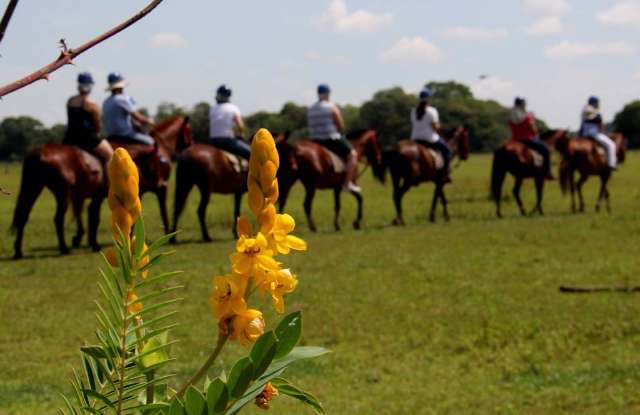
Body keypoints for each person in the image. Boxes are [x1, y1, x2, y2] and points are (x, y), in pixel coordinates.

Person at [307, 84, 360, 193]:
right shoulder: (331, 106)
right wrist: (341, 133)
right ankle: (347, 183)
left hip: (315, 139)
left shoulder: (311, 108)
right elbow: (339, 124)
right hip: (330, 138)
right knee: (353, 155)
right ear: (327, 94)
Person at [63, 72, 113, 161]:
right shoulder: (92, 104)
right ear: (90, 86)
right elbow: (98, 126)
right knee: (111, 156)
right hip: (88, 139)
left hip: (69, 138)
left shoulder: (70, 101)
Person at [102, 72, 155, 145]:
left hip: (110, 135)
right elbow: (137, 117)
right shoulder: (122, 99)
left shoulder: (106, 102)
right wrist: (149, 121)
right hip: (125, 134)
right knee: (151, 141)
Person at [508, 97, 553, 179]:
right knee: (546, 150)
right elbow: (533, 129)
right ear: (523, 105)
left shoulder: (511, 117)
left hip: (515, 140)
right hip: (527, 139)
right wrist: (536, 133)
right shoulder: (528, 116)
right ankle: (547, 172)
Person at [410, 87, 452, 175]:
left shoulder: (413, 110)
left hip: (415, 138)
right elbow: (435, 128)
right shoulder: (432, 111)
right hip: (430, 139)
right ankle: (445, 173)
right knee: (447, 151)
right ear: (429, 99)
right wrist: (443, 133)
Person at [208, 84, 250, 159]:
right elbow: (240, 126)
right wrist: (241, 134)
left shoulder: (212, 108)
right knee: (251, 153)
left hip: (213, 141)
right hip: (227, 141)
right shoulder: (233, 108)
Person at [580, 96, 616, 169]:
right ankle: (611, 164)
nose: (598, 104)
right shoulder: (595, 112)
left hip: (584, 134)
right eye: (597, 103)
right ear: (594, 103)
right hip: (594, 134)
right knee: (611, 145)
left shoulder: (584, 110)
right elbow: (600, 125)